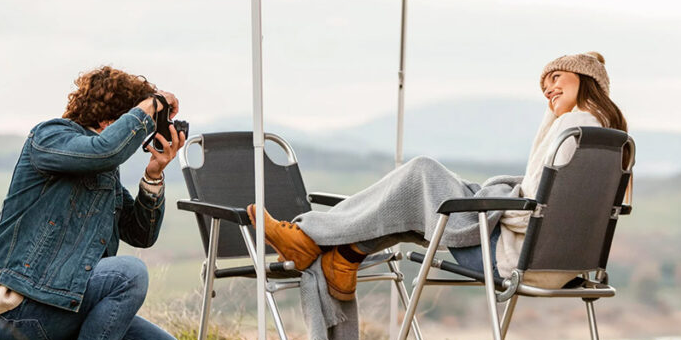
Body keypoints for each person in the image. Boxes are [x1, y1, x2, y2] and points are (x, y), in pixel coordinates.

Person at [250, 51, 627, 301]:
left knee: (421, 172)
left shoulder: (573, 129)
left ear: (584, 77)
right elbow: (554, 205)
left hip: (511, 261)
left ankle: (308, 237)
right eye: (545, 88)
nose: (548, 89)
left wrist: (494, 199)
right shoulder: (609, 141)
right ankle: (343, 258)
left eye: (557, 77)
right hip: (562, 268)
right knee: (419, 208)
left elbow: (529, 213)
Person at [0, 66, 186, 340]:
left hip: (60, 306)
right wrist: (153, 105)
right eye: (136, 120)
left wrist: (153, 174)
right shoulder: (49, 137)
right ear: (109, 120)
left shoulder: (103, 172)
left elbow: (141, 235)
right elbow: (105, 150)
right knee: (128, 273)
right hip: (16, 310)